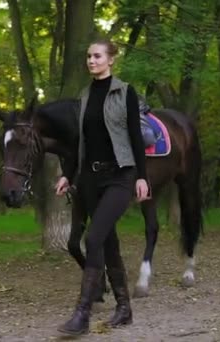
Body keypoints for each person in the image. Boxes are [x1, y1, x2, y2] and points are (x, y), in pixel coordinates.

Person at [54, 38, 151, 335]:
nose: (91, 61)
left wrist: (142, 176)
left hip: (120, 176)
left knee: (93, 239)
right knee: (108, 242)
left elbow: (136, 137)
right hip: (90, 180)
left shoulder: (125, 92)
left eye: (97, 56)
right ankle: (124, 309)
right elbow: (79, 143)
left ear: (111, 60)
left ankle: (82, 313)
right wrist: (68, 174)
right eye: (88, 57)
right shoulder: (84, 96)